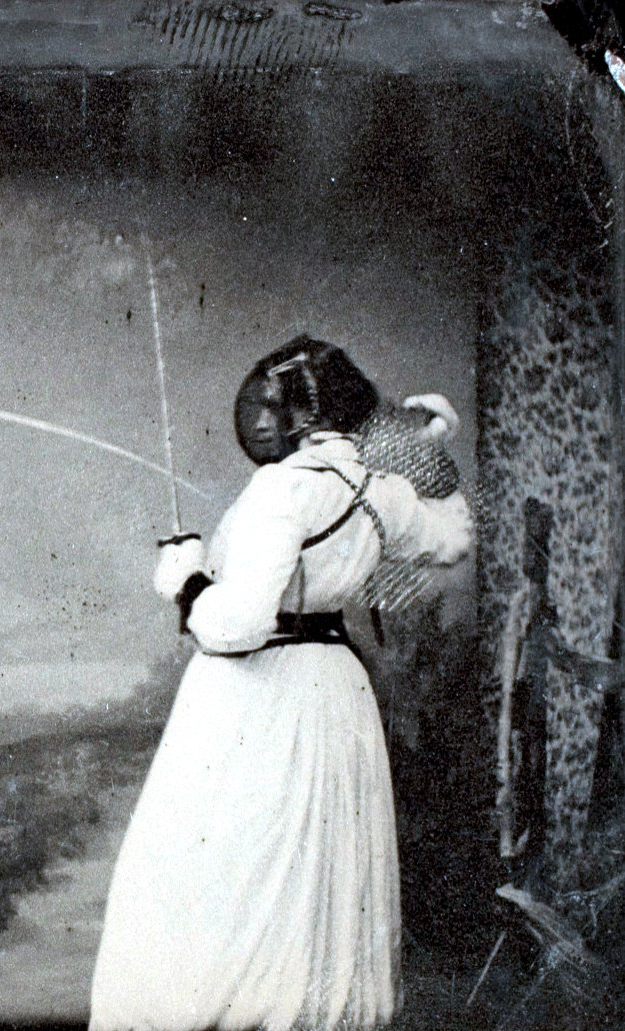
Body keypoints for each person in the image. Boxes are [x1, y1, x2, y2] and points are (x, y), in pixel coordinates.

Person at [88, 337, 473, 1031]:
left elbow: (234, 624)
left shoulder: (281, 488)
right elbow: (453, 537)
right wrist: (437, 443)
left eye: (276, 405)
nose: (261, 421)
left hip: (260, 697)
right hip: (336, 692)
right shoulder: (378, 487)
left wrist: (186, 579)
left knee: (231, 879)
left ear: (303, 411)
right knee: (314, 886)